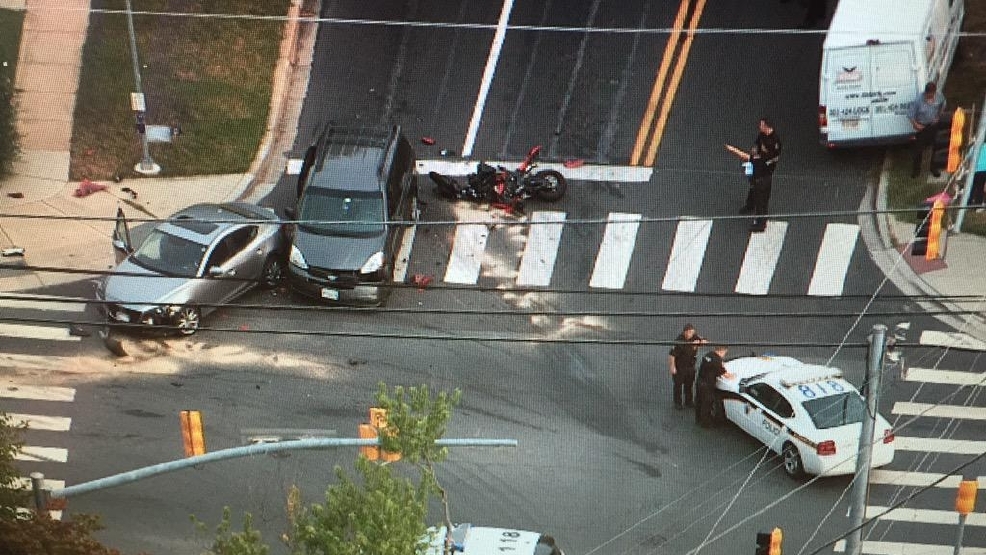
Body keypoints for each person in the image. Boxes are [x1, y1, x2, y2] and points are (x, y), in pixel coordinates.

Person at [725, 143, 771, 232]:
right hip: (757, 182)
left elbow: (744, 156)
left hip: (761, 184)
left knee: (761, 204)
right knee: (752, 194)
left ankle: (761, 224)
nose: (752, 151)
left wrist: (733, 149)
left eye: (754, 150)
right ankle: (750, 206)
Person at [909, 82, 947, 179]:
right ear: (925, 92)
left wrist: (938, 116)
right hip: (922, 127)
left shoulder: (939, 96)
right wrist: (915, 124)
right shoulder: (918, 100)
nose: (930, 97)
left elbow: (943, 104)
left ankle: (933, 168)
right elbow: (911, 114)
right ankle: (916, 171)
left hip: (933, 126)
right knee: (918, 150)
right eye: (928, 95)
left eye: (932, 95)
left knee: (935, 147)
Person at [667, 324, 707, 410]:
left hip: (690, 366)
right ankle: (678, 403)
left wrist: (699, 342)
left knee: (689, 385)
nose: (691, 334)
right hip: (680, 366)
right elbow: (672, 355)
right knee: (678, 385)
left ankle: (689, 401)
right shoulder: (679, 341)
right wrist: (672, 366)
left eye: (692, 332)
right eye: (689, 332)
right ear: (685, 332)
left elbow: (705, 341)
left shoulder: (695, 337)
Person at [695, 345, 735, 428]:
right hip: (707, 385)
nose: (724, 355)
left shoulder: (708, 355)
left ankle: (698, 418)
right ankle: (706, 423)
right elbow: (725, 374)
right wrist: (733, 376)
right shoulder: (717, 361)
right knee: (707, 404)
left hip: (700, 381)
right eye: (725, 353)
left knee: (699, 401)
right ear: (722, 351)